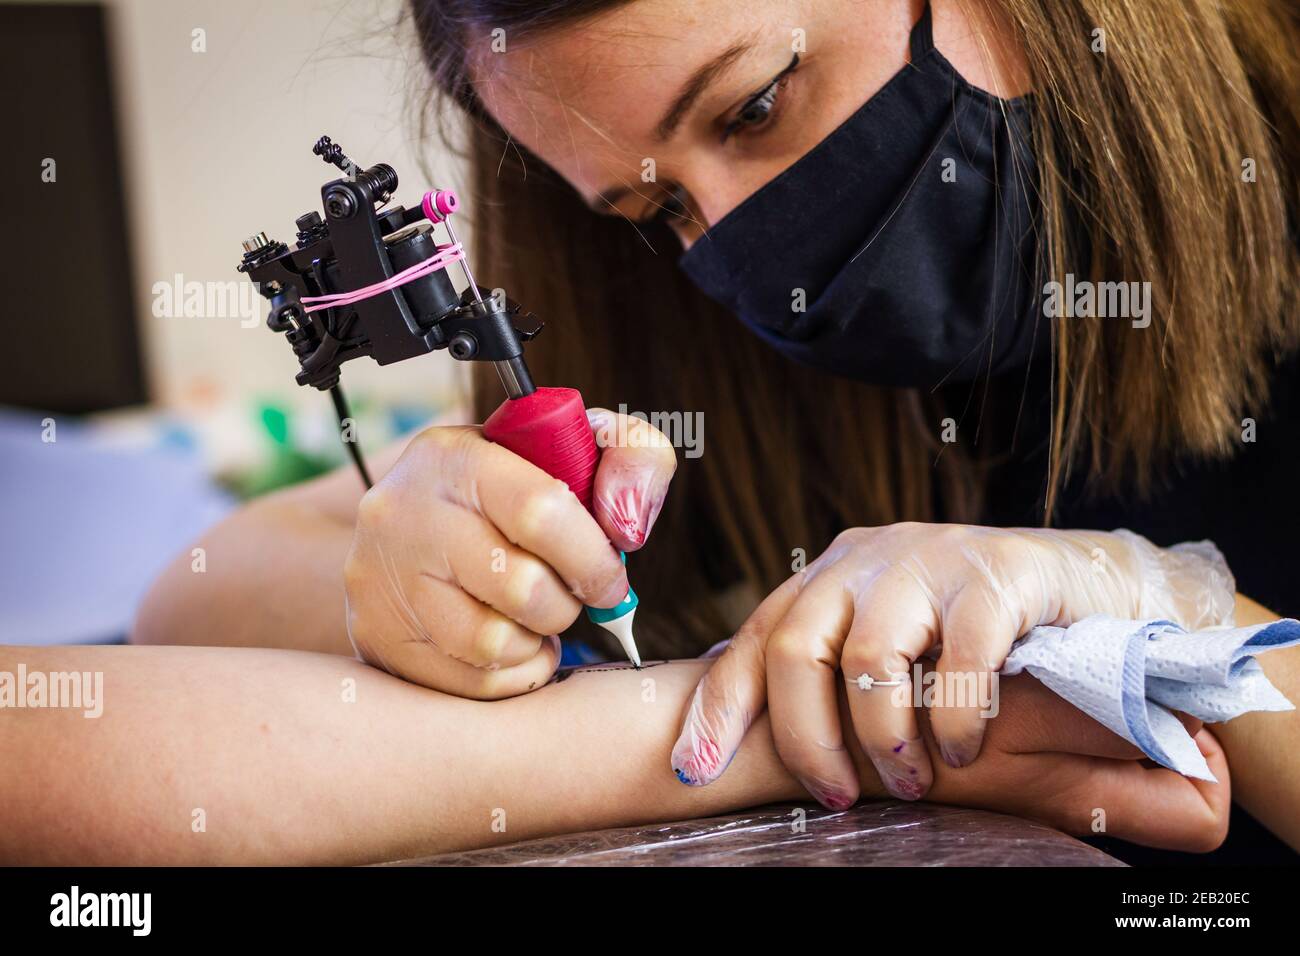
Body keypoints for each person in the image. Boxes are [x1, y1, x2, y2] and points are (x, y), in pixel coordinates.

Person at [132, 0, 1299, 858]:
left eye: (755, 105)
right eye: (659, 206)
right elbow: (187, 599)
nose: (736, 243)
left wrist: (1162, 607)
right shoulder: (710, 360)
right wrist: (421, 573)